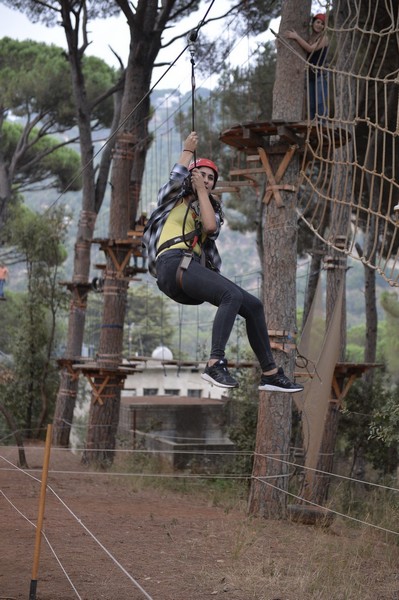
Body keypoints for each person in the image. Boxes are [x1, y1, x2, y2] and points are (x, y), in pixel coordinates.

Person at [142, 131, 303, 393]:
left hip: (188, 269)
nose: (206, 180)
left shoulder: (208, 210)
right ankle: (215, 362)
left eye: (211, 178)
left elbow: (209, 226)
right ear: (191, 177)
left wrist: (203, 193)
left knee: (253, 305)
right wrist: (187, 150)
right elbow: (176, 176)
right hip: (171, 265)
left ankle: (270, 373)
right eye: (201, 175)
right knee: (230, 294)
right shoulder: (173, 199)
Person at [285, 13, 329, 120]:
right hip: (310, 74)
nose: (319, 25)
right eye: (318, 22)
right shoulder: (309, 37)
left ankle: (322, 125)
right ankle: (313, 125)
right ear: (313, 22)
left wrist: (296, 37)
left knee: (320, 102)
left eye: (322, 24)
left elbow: (310, 49)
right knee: (311, 104)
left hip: (320, 74)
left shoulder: (324, 38)